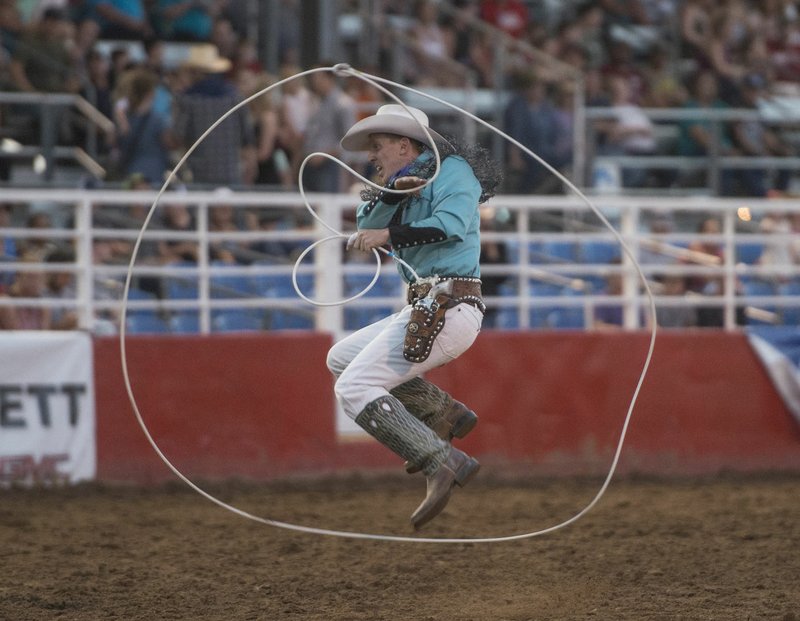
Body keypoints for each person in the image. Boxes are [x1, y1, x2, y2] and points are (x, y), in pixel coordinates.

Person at [326, 104, 500, 530]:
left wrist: (388, 233)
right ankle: (443, 413)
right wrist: (393, 194)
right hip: (428, 305)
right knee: (340, 359)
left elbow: (452, 225)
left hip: (448, 304)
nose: (372, 155)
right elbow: (369, 218)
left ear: (405, 144)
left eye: (378, 145)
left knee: (353, 386)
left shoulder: (454, 172)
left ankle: (438, 460)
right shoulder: (393, 187)